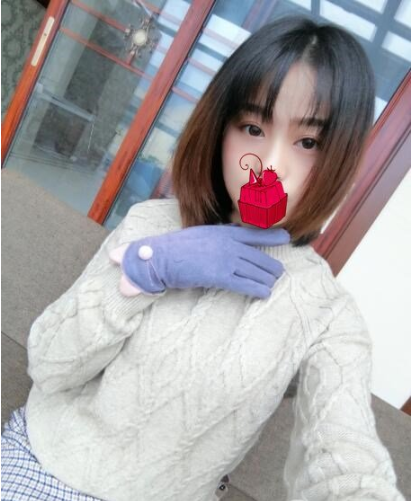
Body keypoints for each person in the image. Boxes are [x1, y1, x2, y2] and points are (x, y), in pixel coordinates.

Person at [1, 14, 405, 501]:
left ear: (340, 157)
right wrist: (145, 270)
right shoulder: (152, 227)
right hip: (45, 462)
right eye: (252, 127)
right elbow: (48, 364)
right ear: (220, 131)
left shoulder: (327, 313)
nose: (269, 166)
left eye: (308, 142)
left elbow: (346, 456)